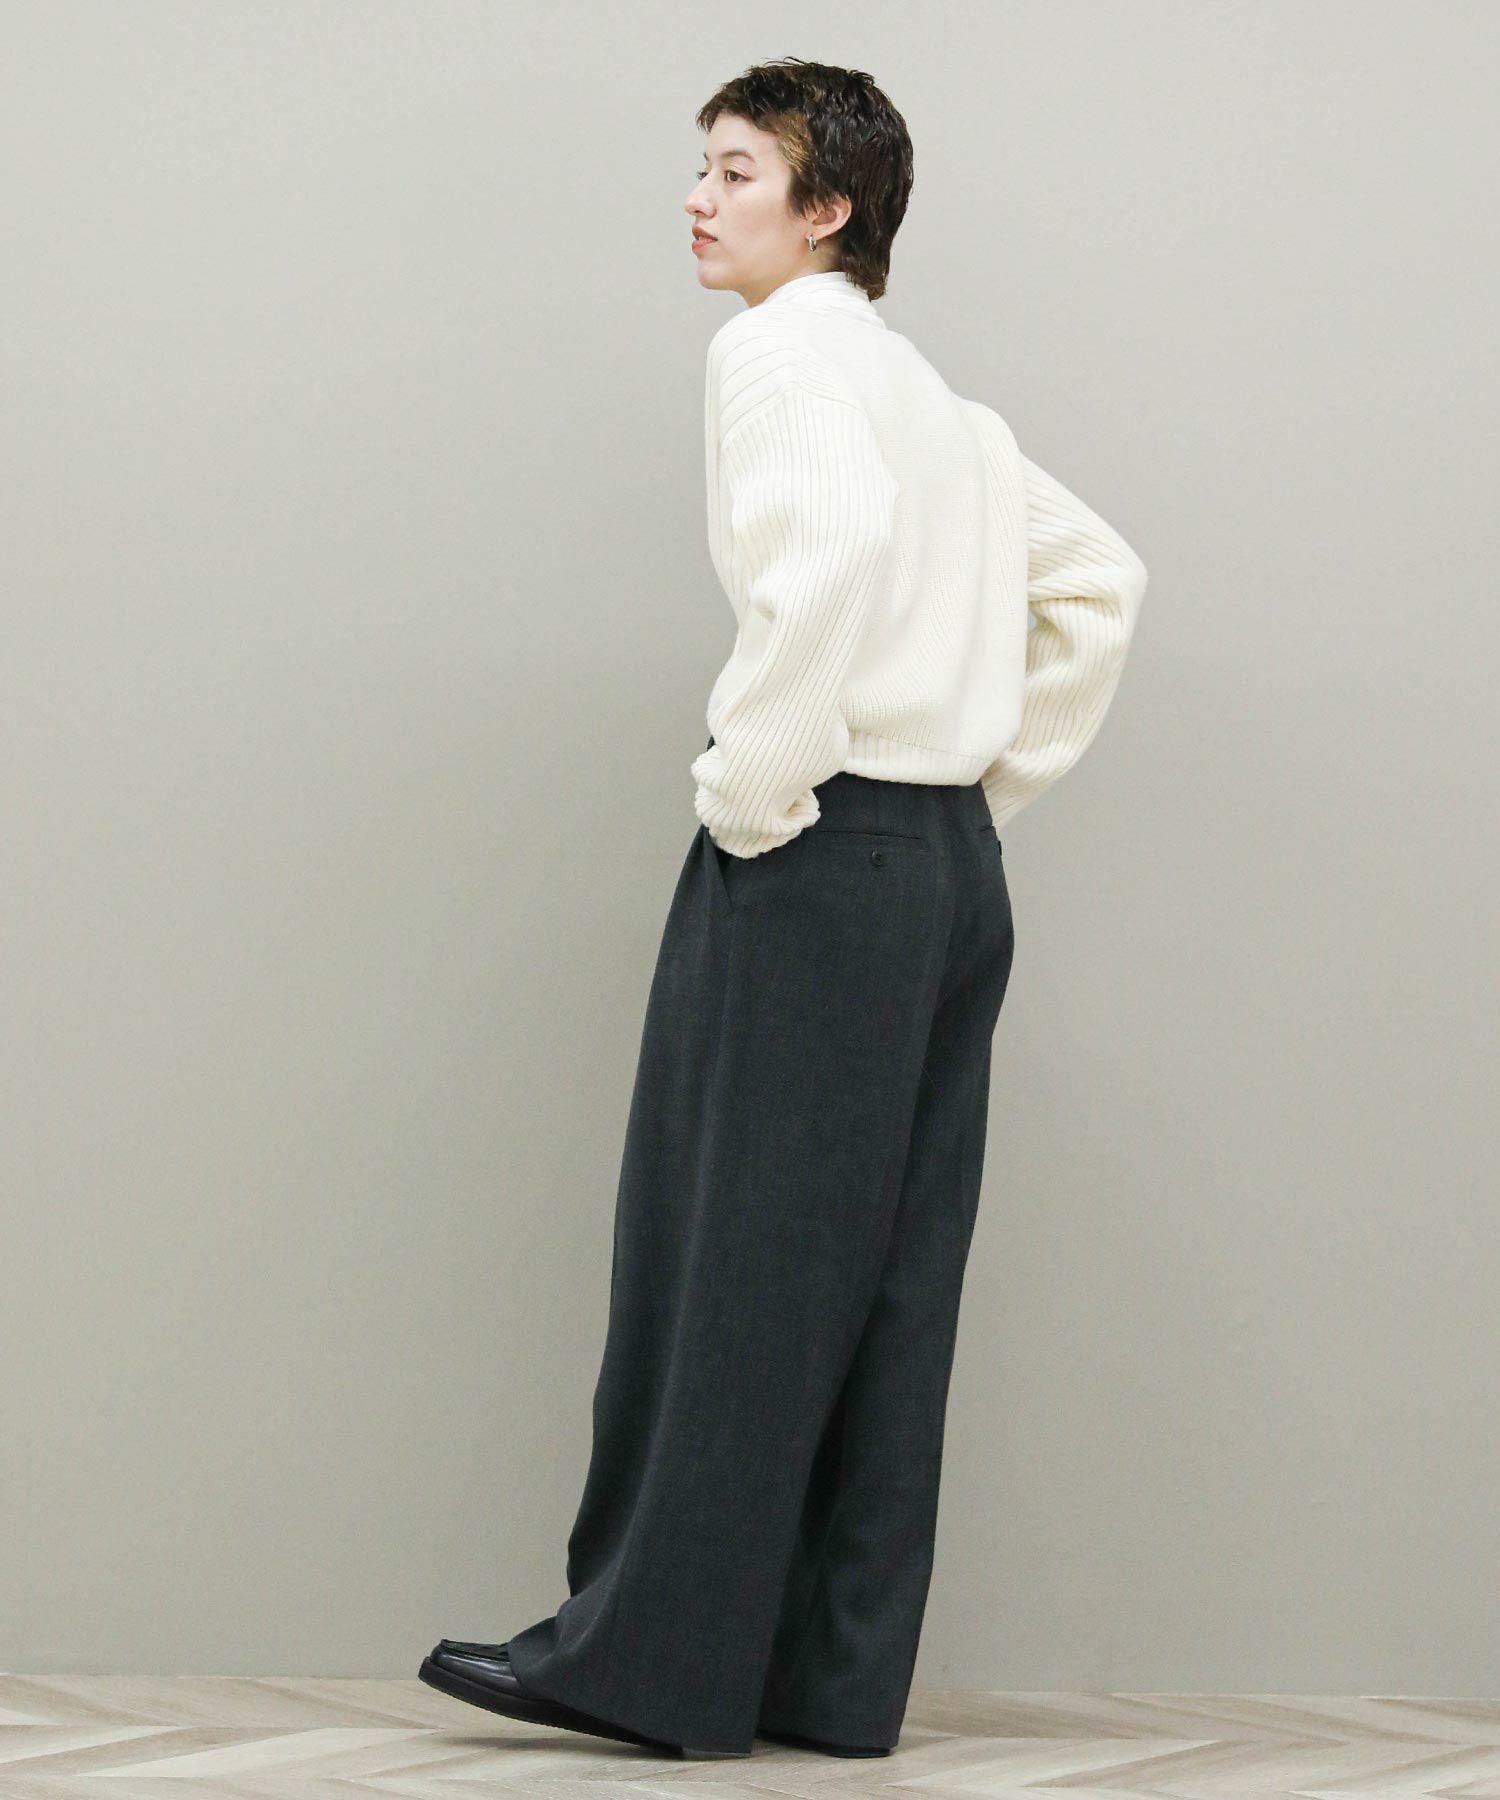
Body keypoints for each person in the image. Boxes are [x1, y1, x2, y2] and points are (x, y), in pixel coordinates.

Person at [420, 56, 1148, 1761]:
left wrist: (757, 793)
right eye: (703, 165)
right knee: (888, 1282)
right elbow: (1101, 579)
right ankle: (827, 1682)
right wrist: (979, 790)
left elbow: (821, 564)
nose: (699, 197)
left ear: (828, 210)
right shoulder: (939, 405)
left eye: (737, 170)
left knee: (737, 1258)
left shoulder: (776, 355)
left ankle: (652, 1668)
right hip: (944, 877)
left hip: (823, 855)